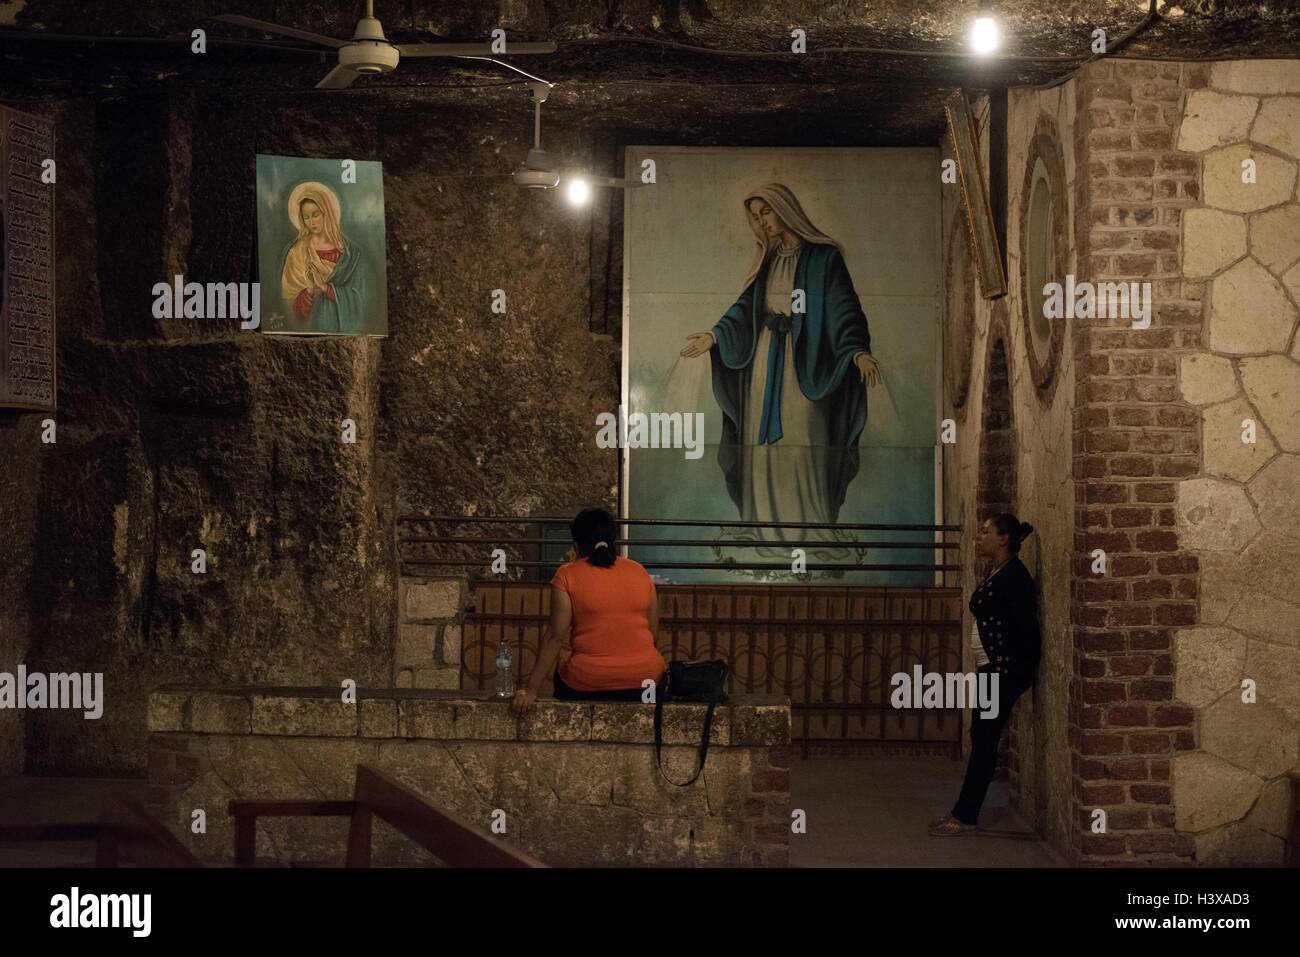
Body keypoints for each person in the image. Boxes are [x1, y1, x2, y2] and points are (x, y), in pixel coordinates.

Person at [679, 183, 881, 554]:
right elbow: (746, 308)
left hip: (805, 364)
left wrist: (856, 352)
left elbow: (843, 307)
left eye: (765, 212)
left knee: (804, 439)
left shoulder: (824, 258)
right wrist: (716, 335)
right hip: (764, 363)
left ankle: (814, 528)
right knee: (761, 444)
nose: (761, 221)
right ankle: (764, 529)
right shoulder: (768, 260)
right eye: (756, 216)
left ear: (784, 209)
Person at [929, 513, 1041, 835]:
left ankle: (964, 816)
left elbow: (1017, 627)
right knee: (982, 735)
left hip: (1001, 672)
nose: (980, 538)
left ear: (1004, 538)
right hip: (993, 670)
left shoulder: (1013, 576)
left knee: (985, 738)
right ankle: (963, 813)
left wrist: (1004, 666)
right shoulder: (1000, 572)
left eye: (985, 532)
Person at [510, 509, 667, 716]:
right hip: (647, 684)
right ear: (614, 540)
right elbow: (653, 635)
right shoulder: (640, 572)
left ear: (576, 545)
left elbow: (556, 637)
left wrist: (530, 689)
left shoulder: (567, 575)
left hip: (587, 684)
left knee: (565, 660)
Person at [279, 181, 368, 333]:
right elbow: (289, 301)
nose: (311, 222)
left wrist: (326, 288)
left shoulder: (351, 253)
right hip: (313, 325)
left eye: (316, 215)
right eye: (306, 217)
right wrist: (310, 291)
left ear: (327, 213)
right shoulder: (297, 253)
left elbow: (360, 298)